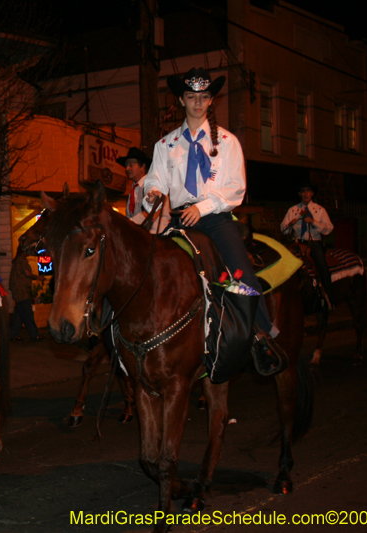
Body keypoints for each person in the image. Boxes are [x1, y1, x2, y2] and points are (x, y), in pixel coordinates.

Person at [143, 67, 285, 373]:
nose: (197, 103)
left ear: (211, 101)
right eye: (191, 97)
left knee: (241, 274)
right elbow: (153, 179)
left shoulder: (228, 141)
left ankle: (262, 337)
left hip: (215, 218)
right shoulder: (165, 145)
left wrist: (204, 207)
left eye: (204, 97)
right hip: (178, 218)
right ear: (181, 100)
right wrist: (153, 192)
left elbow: (236, 187)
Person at [280, 184, 334, 303]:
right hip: (298, 243)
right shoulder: (293, 210)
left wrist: (314, 222)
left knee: (322, 266)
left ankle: (328, 298)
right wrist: (290, 225)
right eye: (303, 191)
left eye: (308, 191)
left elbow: (329, 228)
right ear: (299, 194)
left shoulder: (320, 210)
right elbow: (283, 230)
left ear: (312, 193)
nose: (305, 194)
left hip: (314, 243)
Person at [116, 147, 170, 233]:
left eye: (131, 165)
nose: (127, 169)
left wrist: (127, 224)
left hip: (158, 236)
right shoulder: (134, 190)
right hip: (141, 236)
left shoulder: (153, 185)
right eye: (126, 166)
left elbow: (150, 215)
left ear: (142, 167)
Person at [9, 249, 46, 341]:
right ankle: (34, 334)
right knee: (27, 313)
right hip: (22, 290)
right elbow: (27, 273)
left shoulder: (17, 261)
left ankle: (13, 334)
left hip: (17, 290)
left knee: (19, 313)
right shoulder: (21, 260)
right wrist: (37, 277)